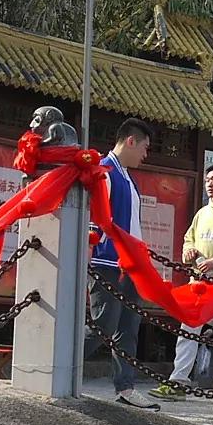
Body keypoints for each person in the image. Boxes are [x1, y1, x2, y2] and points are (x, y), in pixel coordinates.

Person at [90, 118, 156, 408]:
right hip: (107, 262)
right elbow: (95, 220)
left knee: (129, 328)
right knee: (102, 326)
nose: (145, 154)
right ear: (130, 141)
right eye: (144, 147)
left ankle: (125, 389)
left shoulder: (128, 176)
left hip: (131, 265)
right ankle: (56, 368)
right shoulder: (105, 172)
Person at [158, 161, 213, 399]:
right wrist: (189, 252)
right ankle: (178, 381)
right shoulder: (202, 213)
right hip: (199, 285)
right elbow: (188, 240)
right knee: (188, 331)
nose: (209, 184)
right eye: (207, 180)